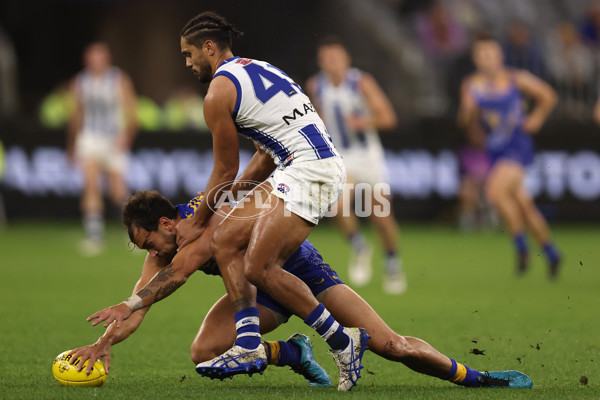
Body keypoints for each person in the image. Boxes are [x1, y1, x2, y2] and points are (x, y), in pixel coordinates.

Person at [88, 11, 366, 392]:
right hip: (312, 164)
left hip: (307, 170)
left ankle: (337, 340)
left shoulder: (219, 91)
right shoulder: (254, 70)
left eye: (188, 54)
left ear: (208, 47)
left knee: (234, 248)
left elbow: (224, 170)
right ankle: (268, 345)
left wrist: (201, 218)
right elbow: (261, 155)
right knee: (231, 258)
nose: (186, 63)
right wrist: (104, 340)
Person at [79, 190, 532, 391]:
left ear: (165, 224)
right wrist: (103, 343)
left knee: (391, 345)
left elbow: (173, 279)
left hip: (302, 275)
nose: (150, 252)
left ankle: (477, 378)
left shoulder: (205, 218)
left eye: (148, 242)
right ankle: (293, 353)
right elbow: (138, 306)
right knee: (204, 351)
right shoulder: (163, 251)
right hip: (256, 292)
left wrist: (133, 302)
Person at [306, 36, 406, 294]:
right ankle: (360, 247)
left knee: (381, 216)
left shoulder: (361, 82)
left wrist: (363, 122)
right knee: (336, 206)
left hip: (368, 156)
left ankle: (392, 264)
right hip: (341, 158)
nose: (332, 63)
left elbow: (388, 118)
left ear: (346, 60)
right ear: (321, 62)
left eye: (336, 58)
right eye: (327, 59)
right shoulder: (316, 86)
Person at [458, 34, 561, 278]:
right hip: (495, 151)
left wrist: (535, 119)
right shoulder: (471, 85)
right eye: (483, 55)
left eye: (492, 54)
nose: (488, 60)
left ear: (500, 56)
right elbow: (465, 121)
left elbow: (548, 96)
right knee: (524, 205)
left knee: (495, 192)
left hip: (517, 148)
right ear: (476, 59)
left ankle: (522, 247)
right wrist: (470, 112)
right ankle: (551, 252)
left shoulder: (516, 78)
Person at [67, 42, 137, 255]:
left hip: (113, 139)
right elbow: (76, 115)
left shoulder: (119, 79)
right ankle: (94, 235)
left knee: (117, 192)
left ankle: (136, 232)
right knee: (90, 184)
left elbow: (131, 111)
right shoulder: (80, 82)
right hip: (90, 138)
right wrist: (71, 144)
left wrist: (127, 137)